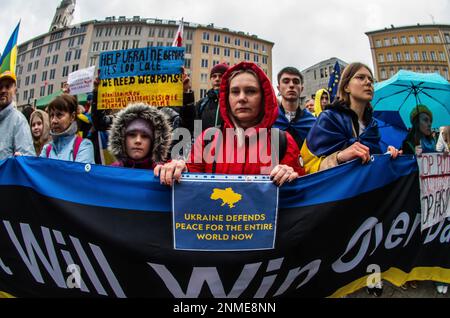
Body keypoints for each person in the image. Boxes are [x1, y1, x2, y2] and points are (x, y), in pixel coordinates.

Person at [155, 62, 304, 187]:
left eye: (251, 91)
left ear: (264, 97)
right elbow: (190, 178)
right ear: (227, 98)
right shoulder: (208, 139)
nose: (242, 98)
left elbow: (302, 193)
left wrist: (291, 175)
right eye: (235, 91)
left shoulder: (283, 141)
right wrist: (179, 168)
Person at [301, 62, 400, 176]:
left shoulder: (372, 126)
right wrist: (339, 157)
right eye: (360, 77)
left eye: (370, 80)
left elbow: (373, 164)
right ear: (346, 87)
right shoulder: (329, 118)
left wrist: (387, 155)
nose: (368, 82)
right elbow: (306, 165)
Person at [108, 103, 172, 169]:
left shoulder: (164, 172)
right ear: (121, 139)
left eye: (145, 136)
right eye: (132, 135)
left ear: (154, 142)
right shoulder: (109, 173)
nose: (138, 141)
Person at [40, 94, 95, 164]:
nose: (54, 120)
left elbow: (79, 174)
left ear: (72, 117)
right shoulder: (47, 149)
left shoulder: (84, 146)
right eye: (51, 115)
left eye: (59, 115)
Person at [273, 67, 316, 148]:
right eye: (286, 81)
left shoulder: (313, 123)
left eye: (296, 82)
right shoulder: (270, 119)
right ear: (278, 88)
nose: (291, 85)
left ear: (301, 88)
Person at [0, 71, 35, 160]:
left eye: (7, 87)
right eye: (0, 87)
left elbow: (28, 159)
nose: (3, 90)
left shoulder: (19, 120)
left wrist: (21, 158)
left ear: (15, 91)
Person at [194, 63, 229, 131]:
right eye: (214, 76)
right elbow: (196, 131)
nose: (217, 79)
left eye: (221, 76)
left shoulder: (233, 102)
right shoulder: (201, 104)